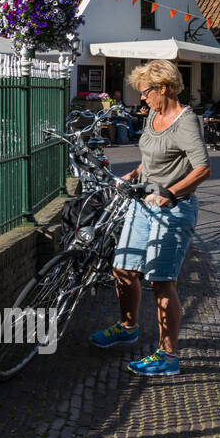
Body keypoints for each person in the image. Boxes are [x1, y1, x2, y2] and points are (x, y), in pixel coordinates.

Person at [89, 60, 211, 376]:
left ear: (164, 88)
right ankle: (128, 326)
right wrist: (135, 173)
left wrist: (169, 193)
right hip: (142, 203)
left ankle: (168, 357)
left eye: (145, 92)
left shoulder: (186, 122)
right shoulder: (154, 116)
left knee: (160, 281)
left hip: (173, 210)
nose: (142, 98)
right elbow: (150, 159)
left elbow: (202, 168)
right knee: (123, 269)